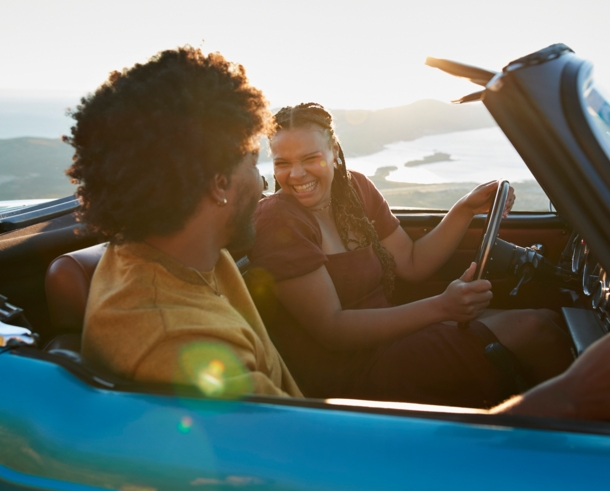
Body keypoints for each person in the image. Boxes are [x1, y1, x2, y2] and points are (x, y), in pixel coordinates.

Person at [249, 102, 574, 407]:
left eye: (310, 158)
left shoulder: (356, 189)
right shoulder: (279, 220)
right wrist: (442, 306)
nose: (296, 175)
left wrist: (464, 210)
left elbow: (413, 263)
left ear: (334, 151)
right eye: (283, 163)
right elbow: (333, 330)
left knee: (547, 318)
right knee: (535, 330)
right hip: (351, 373)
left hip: (394, 337)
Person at [67, 47, 301, 399]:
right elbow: (293, 447)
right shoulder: (177, 341)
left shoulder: (188, 251)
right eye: (254, 165)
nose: (262, 185)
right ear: (219, 184)